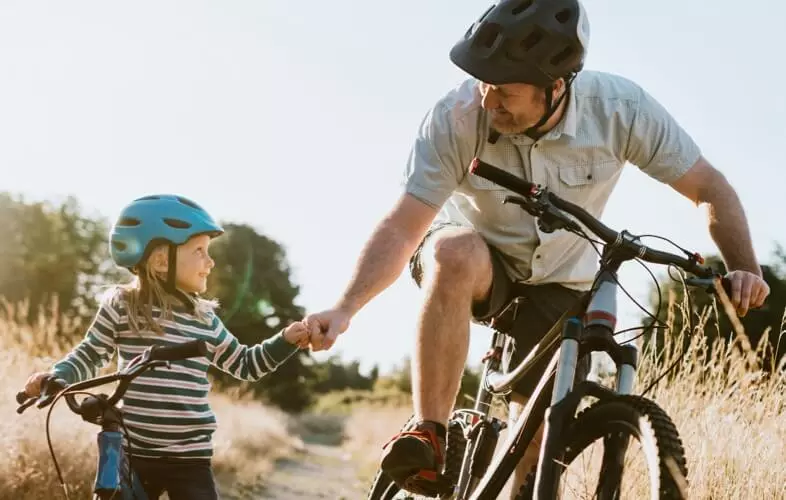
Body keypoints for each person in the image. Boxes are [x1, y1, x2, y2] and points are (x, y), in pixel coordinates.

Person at [304, 0, 770, 496]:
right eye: (484, 82)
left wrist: (746, 268)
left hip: (562, 280)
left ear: (557, 86)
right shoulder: (456, 117)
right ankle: (430, 433)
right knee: (453, 253)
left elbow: (709, 189)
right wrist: (347, 305)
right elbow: (402, 227)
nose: (488, 100)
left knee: (535, 442)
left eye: (505, 90)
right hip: (480, 259)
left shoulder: (620, 110)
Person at [22, 194, 310, 500]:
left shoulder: (204, 319)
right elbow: (92, 352)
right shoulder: (122, 306)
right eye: (200, 251)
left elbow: (246, 364)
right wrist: (57, 376)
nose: (210, 263)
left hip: (189, 459)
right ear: (161, 260)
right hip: (132, 450)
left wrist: (285, 340)